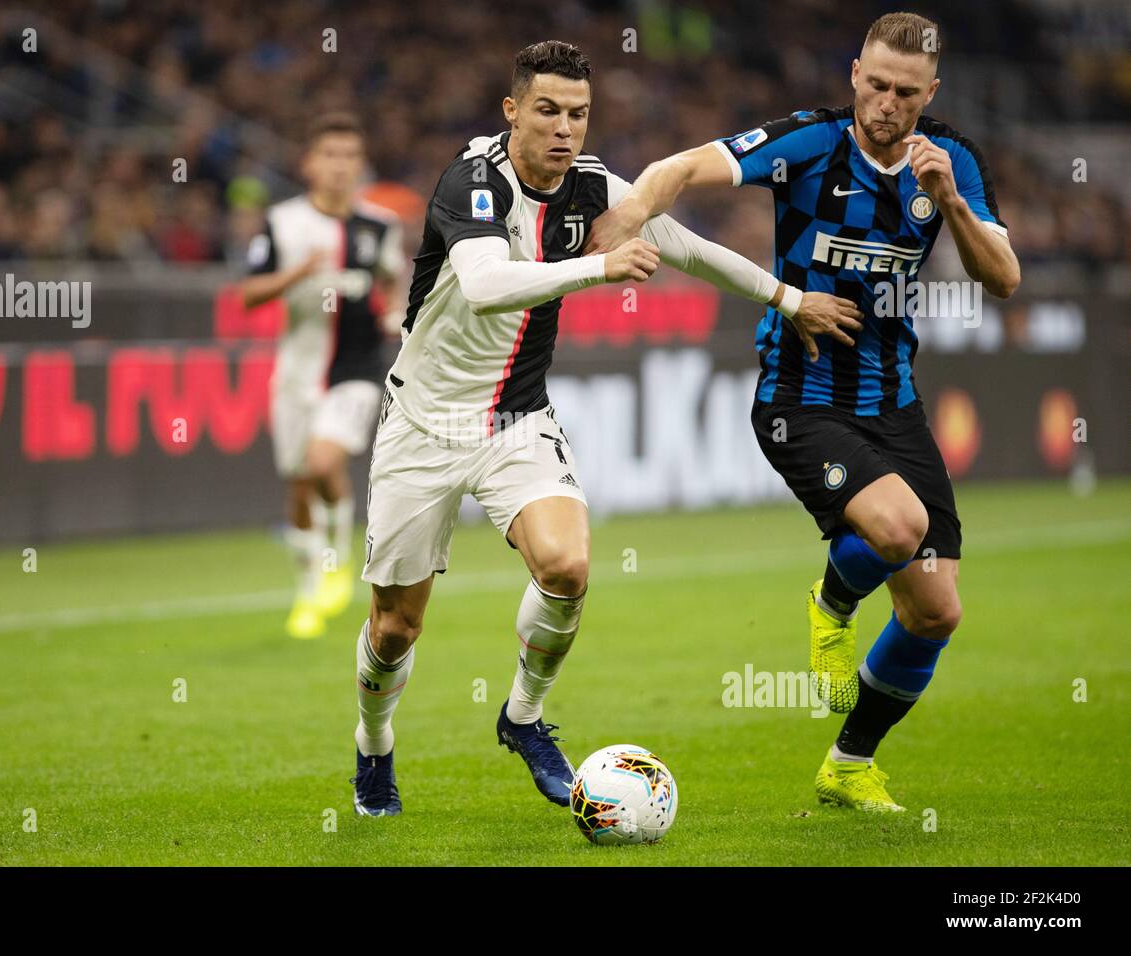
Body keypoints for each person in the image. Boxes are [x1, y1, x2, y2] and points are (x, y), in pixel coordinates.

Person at [350, 40, 859, 816]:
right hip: (422, 421)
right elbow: (486, 285)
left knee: (567, 568)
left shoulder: (593, 189)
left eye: (579, 114)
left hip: (515, 419)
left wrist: (788, 300)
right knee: (395, 628)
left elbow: (689, 249)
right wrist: (600, 268)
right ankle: (374, 745)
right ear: (512, 109)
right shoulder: (472, 181)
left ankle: (522, 719)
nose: (564, 129)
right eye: (547, 110)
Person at [587, 12, 1020, 812]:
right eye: (878, 85)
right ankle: (831, 603)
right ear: (855, 73)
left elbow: (1004, 279)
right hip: (800, 394)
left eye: (907, 93)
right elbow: (682, 165)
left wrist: (951, 205)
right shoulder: (811, 143)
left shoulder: (951, 160)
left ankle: (848, 764)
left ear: (932, 93)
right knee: (897, 528)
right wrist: (633, 209)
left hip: (893, 401)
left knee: (935, 611)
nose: (888, 104)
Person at [241, 114, 406, 640]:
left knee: (322, 460)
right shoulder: (283, 223)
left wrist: (395, 313)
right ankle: (307, 591)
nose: (339, 166)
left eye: (349, 156)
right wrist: (298, 273)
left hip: (356, 367)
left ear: (360, 166)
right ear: (310, 163)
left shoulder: (379, 225)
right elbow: (248, 294)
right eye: (329, 155)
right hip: (297, 369)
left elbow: (394, 278)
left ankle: (337, 562)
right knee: (298, 482)